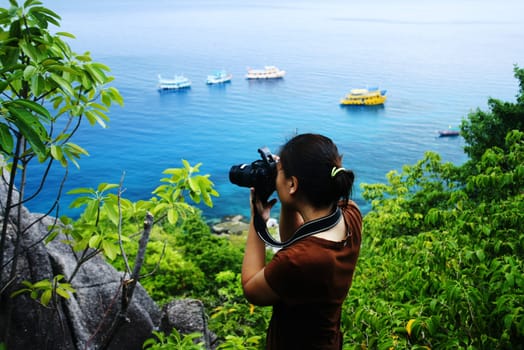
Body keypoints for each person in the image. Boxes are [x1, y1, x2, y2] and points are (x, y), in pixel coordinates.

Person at [241, 133, 363, 349]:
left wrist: (256, 220)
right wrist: (289, 197)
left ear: (293, 184)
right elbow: (296, 241)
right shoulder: (352, 214)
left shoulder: (299, 261)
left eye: (279, 173)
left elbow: (251, 289)